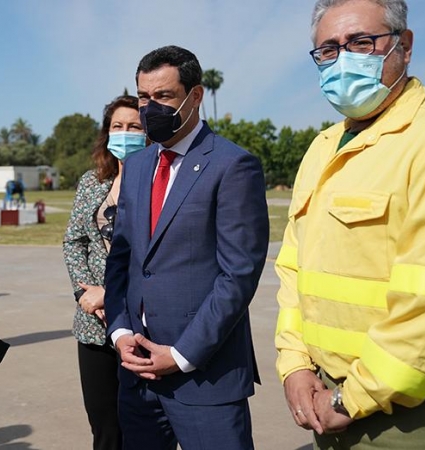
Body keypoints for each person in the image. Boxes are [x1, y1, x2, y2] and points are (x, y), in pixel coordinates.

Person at [275, 0, 425, 448]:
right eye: (328, 49)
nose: (344, 57)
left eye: (361, 42)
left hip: (418, 410)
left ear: (404, 47)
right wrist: (294, 365)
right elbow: (294, 273)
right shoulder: (323, 148)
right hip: (329, 397)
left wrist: (350, 399)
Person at [104, 46, 270, 450]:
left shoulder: (233, 166)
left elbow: (238, 276)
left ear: (195, 97)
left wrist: (180, 354)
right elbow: (123, 260)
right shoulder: (140, 166)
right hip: (138, 374)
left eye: (163, 97)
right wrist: (121, 329)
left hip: (205, 378)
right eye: (144, 97)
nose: (150, 108)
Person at [63, 94, 145, 450]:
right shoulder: (91, 182)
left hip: (143, 326)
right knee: (105, 430)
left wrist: (110, 295)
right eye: (117, 126)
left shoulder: (161, 184)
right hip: (93, 327)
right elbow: (73, 241)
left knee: (143, 429)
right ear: (106, 134)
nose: (124, 133)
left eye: (134, 127)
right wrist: (85, 294)